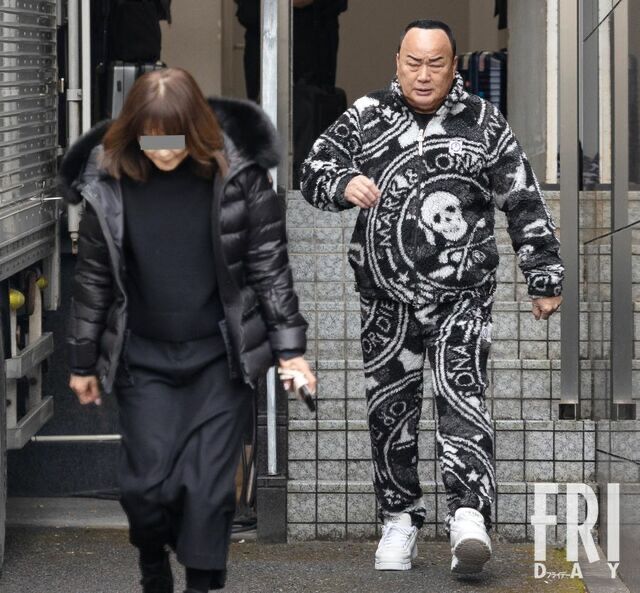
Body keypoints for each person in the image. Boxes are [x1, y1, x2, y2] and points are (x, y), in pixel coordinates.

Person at [300, 20, 564, 576]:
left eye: (435, 63)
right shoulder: (367, 115)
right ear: (397, 62)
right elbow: (313, 169)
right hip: (385, 301)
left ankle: (469, 518)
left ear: (453, 66)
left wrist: (543, 274)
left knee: (462, 398)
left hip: (463, 297)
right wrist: (342, 183)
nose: (423, 74)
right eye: (413, 62)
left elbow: (521, 197)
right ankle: (399, 519)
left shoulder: (483, 122)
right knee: (389, 411)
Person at [60, 67, 316, 593]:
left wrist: (290, 352)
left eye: (174, 137)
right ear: (134, 131)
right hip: (143, 361)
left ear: (196, 128)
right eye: (151, 138)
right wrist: (82, 361)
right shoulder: (108, 185)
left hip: (218, 362)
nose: (163, 151)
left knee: (208, 492)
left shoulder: (239, 177)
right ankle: (152, 559)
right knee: (145, 488)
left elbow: (270, 269)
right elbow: (93, 279)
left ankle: (200, 583)